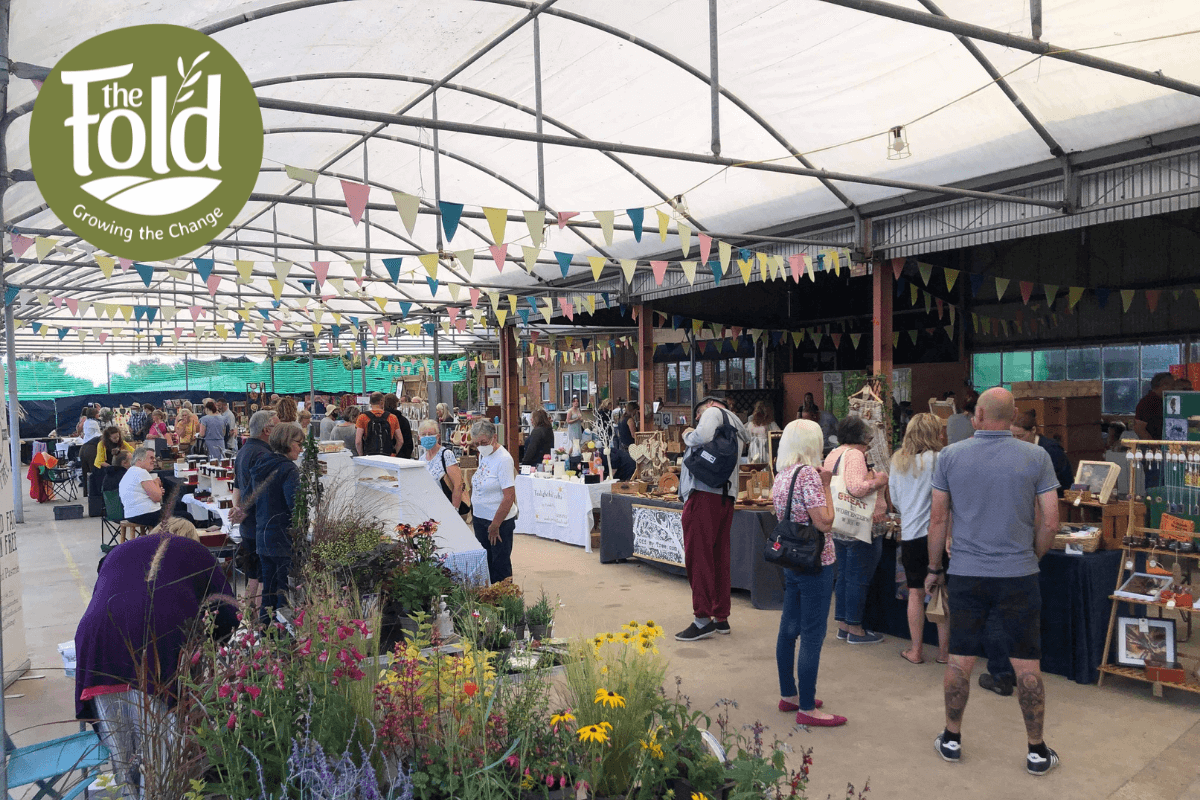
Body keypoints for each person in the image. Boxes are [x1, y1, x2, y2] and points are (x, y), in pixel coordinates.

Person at [926, 387, 1061, 776]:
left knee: (960, 658)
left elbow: (937, 520)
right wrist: (1031, 557)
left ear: (978, 415)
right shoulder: (1036, 456)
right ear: (1014, 414)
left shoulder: (950, 456)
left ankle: (951, 738)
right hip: (1019, 573)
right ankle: (1036, 750)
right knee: (1027, 664)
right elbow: (1051, 521)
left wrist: (935, 568)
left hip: (967, 571)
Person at [73, 528, 237, 797]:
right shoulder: (198, 552)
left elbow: (104, 593)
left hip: (98, 652)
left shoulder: (120, 551)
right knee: (162, 766)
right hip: (158, 653)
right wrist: (209, 649)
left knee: (124, 760)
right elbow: (229, 615)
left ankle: (130, 793)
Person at [771, 419, 842, 727]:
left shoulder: (782, 475)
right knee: (813, 633)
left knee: (789, 627)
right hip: (817, 561)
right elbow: (825, 522)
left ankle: (790, 693)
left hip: (791, 558)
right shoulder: (810, 476)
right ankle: (808, 707)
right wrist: (827, 484)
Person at [675, 395, 749, 642]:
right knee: (719, 556)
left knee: (699, 557)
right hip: (726, 496)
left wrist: (687, 435)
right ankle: (721, 616)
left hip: (704, 494)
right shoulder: (737, 423)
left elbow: (703, 435)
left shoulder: (712, 414)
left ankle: (702, 619)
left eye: (697, 414)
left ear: (707, 406)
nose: (697, 419)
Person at [889, 413, 949, 666]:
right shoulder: (940, 459)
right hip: (940, 535)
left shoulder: (898, 461)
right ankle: (944, 653)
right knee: (942, 594)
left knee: (915, 593)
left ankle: (916, 650)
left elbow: (895, 499)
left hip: (911, 534)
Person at [824, 416, 889, 644]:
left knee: (843, 576)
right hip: (859, 526)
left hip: (838, 524)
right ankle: (855, 628)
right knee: (858, 578)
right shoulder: (855, 455)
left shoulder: (834, 453)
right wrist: (878, 481)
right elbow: (856, 488)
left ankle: (843, 624)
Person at [251, 422, 305, 618]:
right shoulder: (288, 469)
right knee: (284, 593)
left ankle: (265, 637)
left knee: (269, 590)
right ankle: (282, 639)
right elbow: (296, 506)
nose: (300, 448)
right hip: (283, 536)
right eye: (298, 443)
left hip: (263, 533)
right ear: (287, 443)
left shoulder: (261, 464)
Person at [230, 410, 278, 614]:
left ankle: (249, 620)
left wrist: (238, 508)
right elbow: (261, 492)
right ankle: (259, 624)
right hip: (259, 523)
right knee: (263, 576)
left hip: (248, 524)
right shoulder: (263, 454)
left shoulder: (243, 450)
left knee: (252, 575)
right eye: (276, 427)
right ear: (267, 430)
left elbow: (237, 486)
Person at [469, 420, 517, 583]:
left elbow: (509, 496)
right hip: (480, 519)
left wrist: (495, 525)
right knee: (486, 564)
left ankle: (506, 603)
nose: (480, 446)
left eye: (483, 442)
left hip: (498, 522)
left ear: (494, 438)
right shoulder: (483, 454)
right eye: (477, 444)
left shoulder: (503, 459)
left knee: (500, 566)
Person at [1011, 410, 1073, 497]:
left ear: (1033, 430)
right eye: (1013, 436)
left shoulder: (1051, 449)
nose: (1016, 440)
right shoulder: (1016, 449)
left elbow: (1056, 482)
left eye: (1020, 436)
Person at [420, 419, 465, 513]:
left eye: (430, 434)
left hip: (445, 508)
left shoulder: (446, 455)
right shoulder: (422, 459)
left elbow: (458, 484)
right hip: (428, 507)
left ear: (438, 436)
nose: (427, 437)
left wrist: (454, 509)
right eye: (423, 435)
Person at [118, 447, 168, 528]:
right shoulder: (141, 472)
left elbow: (154, 493)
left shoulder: (131, 472)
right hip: (145, 513)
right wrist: (156, 483)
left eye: (154, 458)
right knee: (185, 517)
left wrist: (156, 489)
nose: (154, 460)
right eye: (151, 458)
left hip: (132, 514)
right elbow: (157, 497)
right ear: (139, 459)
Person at [356, 392, 402, 457]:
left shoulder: (362, 417)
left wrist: (361, 455)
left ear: (370, 402)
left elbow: (358, 441)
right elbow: (400, 440)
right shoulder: (392, 417)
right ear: (382, 402)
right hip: (388, 456)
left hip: (370, 456)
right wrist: (394, 453)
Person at [1134, 372, 1174, 441]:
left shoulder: (1166, 401)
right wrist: (1154, 446)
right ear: (1164, 385)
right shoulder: (1147, 402)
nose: (1173, 388)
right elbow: (1139, 428)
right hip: (1154, 446)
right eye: (1172, 385)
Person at [384, 393, 414, 459]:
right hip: (401, 456)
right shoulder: (403, 420)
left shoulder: (381, 418)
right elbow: (407, 442)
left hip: (383, 456)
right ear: (396, 404)